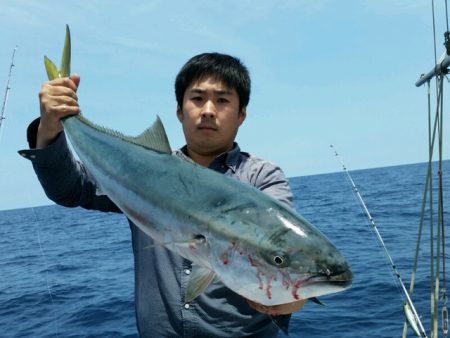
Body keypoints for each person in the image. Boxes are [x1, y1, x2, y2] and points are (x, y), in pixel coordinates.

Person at [20, 53, 306, 337]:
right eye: (197, 99)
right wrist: (51, 128)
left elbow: (286, 248)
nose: (208, 110)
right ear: (180, 111)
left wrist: (293, 297)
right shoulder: (142, 170)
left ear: (241, 114)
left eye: (222, 100)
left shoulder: (261, 178)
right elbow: (69, 190)